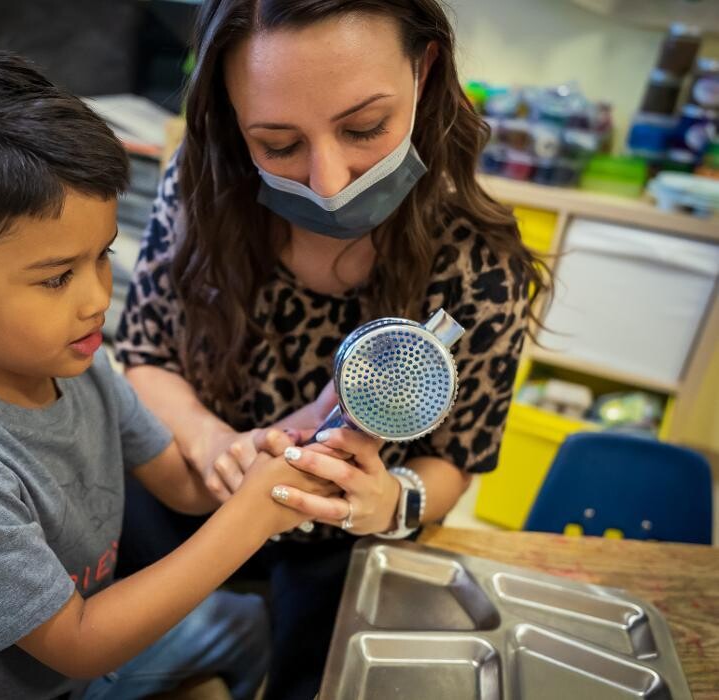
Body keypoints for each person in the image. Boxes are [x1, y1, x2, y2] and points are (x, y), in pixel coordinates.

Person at [0, 45, 331, 700]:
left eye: (101, 257)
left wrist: (277, 440)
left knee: (245, 626)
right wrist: (252, 516)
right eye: (55, 277)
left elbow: (185, 487)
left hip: (77, 676)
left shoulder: (78, 363)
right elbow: (77, 645)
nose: (95, 299)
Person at [114, 1, 549, 698]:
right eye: (278, 144)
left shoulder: (476, 265)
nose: (328, 181)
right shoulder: (201, 190)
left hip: (343, 548)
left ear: (424, 68)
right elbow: (144, 357)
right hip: (184, 498)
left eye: (363, 127)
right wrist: (210, 441)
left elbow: (453, 460)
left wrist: (388, 503)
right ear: (231, 115)